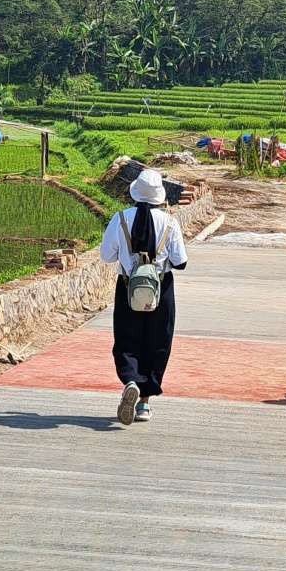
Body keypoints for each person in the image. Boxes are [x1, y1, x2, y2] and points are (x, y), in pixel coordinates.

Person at [98, 168, 187, 425]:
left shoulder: (121, 219)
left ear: (136, 192)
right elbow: (180, 262)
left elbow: (107, 256)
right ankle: (145, 403)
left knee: (127, 339)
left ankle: (130, 381)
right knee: (158, 342)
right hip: (160, 289)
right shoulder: (169, 222)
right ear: (159, 195)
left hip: (128, 287)